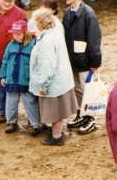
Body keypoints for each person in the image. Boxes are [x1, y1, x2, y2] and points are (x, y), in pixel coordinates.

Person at [59, 0, 103, 135]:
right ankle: (82, 113)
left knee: (87, 90)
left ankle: (91, 118)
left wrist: (95, 62)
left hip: (85, 62)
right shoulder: (67, 12)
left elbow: (94, 40)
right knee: (78, 90)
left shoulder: (88, 13)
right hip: (73, 60)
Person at [29, 8, 77, 146]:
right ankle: (57, 133)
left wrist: (43, 85)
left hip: (53, 82)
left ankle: (56, 136)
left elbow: (47, 65)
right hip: (62, 79)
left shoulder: (47, 41)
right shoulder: (55, 33)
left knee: (54, 109)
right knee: (59, 108)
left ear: (40, 23)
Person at [0, 19, 44, 135]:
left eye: (19, 33)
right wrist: (3, 76)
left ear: (25, 32)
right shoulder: (10, 45)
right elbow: (4, 61)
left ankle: (36, 124)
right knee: (11, 102)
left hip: (25, 79)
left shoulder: (33, 45)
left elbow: (36, 63)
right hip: (10, 78)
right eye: (14, 33)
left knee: (30, 101)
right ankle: (11, 122)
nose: (16, 36)